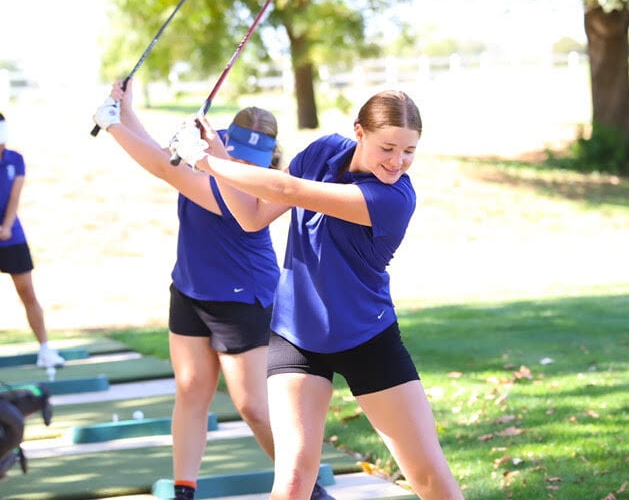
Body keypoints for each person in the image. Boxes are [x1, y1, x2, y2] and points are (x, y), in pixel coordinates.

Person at [170, 89, 466, 500]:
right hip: (297, 336)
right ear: (359, 132)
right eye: (387, 147)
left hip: (367, 338)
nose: (397, 162)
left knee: (429, 476)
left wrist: (205, 160)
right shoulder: (325, 152)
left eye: (409, 151)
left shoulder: (394, 198)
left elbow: (288, 191)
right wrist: (214, 150)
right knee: (292, 481)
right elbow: (253, 216)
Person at [92, 82, 336, 500]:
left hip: (242, 299)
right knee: (190, 389)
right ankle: (184, 489)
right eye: (237, 152)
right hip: (190, 289)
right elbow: (159, 151)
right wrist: (126, 108)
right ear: (225, 138)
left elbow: (165, 168)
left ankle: (305, 488)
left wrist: (113, 125)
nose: (241, 162)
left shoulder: (256, 181)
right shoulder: (211, 144)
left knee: (253, 407)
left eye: (254, 159)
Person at [0, 112, 65, 369]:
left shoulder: (15, 160)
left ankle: (45, 349)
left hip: (11, 235)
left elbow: (14, 197)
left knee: (27, 291)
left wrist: (5, 226)